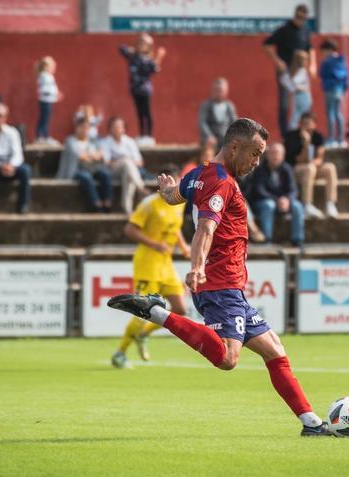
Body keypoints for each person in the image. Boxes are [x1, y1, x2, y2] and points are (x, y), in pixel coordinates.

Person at [108, 118, 333, 437]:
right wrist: (197, 266)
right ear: (235, 147)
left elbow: (175, 197)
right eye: (255, 154)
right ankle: (156, 312)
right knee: (228, 358)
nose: (256, 162)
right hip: (219, 283)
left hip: (231, 287)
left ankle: (311, 424)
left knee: (275, 351)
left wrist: (168, 189)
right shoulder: (222, 181)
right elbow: (205, 227)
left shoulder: (198, 175)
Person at [111, 168, 191, 369]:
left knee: (180, 309)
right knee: (142, 309)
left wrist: (183, 246)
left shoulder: (178, 204)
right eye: (175, 180)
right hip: (147, 264)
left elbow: (176, 227)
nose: (178, 184)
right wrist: (155, 244)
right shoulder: (149, 205)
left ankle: (144, 334)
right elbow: (129, 229)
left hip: (166, 264)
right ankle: (120, 353)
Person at [263, 4, 315, 137]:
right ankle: (285, 134)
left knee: (304, 103)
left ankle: (303, 132)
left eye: (303, 18)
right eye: (298, 16)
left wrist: (313, 65)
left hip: (301, 72)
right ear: (294, 15)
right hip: (286, 72)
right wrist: (278, 61)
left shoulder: (305, 30)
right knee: (285, 104)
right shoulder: (284, 29)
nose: (300, 20)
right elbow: (267, 44)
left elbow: (310, 49)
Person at [248, 143, 304, 246]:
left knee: (298, 206)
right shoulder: (260, 169)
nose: (275, 156)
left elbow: (293, 190)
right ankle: (267, 239)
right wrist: (276, 200)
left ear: (283, 155)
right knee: (269, 205)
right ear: (267, 155)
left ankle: (297, 240)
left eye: (278, 154)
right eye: (273, 153)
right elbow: (259, 190)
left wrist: (287, 200)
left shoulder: (287, 169)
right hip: (263, 202)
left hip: (284, 202)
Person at [284, 112, 338, 219]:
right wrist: (306, 143)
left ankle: (330, 204)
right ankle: (307, 205)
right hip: (296, 170)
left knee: (330, 168)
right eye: (304, 124)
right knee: (309, 168)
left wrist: (314, 163)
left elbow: (320, 157)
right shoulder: (292, 136)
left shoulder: (318, 136)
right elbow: (299, 160)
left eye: (309, 123)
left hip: (312, 168)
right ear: (300, 124)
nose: (306, 126)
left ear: (314, 125)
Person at [119, 33, 166, 144]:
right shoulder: (133, 56)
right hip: (135, 90)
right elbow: (121, 48)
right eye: (140, 42)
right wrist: (131, 50)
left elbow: (153, 69)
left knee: (146, 113)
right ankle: (141, 134)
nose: (141, 45)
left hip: (144, 90)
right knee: (139, 113)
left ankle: (149, 135)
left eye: (144, 44)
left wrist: (159, 57)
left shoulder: (147, 60)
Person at [58, 116, 111, 212]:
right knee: (86, 177)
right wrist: (92, 155)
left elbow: (101, 154)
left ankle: (107, 202)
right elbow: (80, 156)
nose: (85, 130)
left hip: (94, 168)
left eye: (87, 128)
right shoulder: (70, 141)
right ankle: (96, 203)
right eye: (82, 127)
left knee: (105, 175)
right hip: (77, 170)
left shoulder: (93, 140)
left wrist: (90, 156)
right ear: (77, 128)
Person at [99, 116, 147, 215]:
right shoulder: (105, 142)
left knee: (128, 173)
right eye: (115, 126)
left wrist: (128, 162)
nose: (117, 129)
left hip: (130, 171)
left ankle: (127, 208)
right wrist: (124, 160)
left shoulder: (130, 142)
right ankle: (141, 188)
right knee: (126, 163)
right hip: (113, 171)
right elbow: (107, 162)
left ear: (124, 128)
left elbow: (140, 162)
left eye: (119, 126)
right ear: (110, 128)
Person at [318, 39, 349, 147]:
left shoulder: (327, 62)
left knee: (330, 113)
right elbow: (346, 77)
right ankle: (341, 139)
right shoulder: (341, 61)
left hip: (330, 89)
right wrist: (344, 88)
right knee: (338, 113)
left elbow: (321, 74)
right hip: (339, 90)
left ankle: (331, 139)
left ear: (329, 49)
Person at [279, 49, 312, 131]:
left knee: (304, 117)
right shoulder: (294, 71)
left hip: (304, 96)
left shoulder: (302, 70)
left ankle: (303, 134)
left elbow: (306, 85)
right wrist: (294, 88)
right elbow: (284, 79)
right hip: (298, 95)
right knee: (296, 116)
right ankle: (292, 133)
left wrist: (295, 87)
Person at [197, 78, 237, 144]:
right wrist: (209, 135)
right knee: (208, 150)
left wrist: (233, 135)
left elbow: (234, 123)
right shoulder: (206, 105)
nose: (218, 93)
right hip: (211, 139)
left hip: (226, 138)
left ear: (226, 91)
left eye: (220, 90)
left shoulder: (229, 106)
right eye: (216, 90)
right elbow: (202, 122)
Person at [35, 56, 61, 145]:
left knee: (46, 118)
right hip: (45, 100)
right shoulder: (44, 76)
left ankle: (44, 136)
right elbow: (44, 89)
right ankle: (42, 136)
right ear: (46, 66)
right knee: (44, 119)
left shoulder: (47, 76)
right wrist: (53, 94)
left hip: (49, 100)